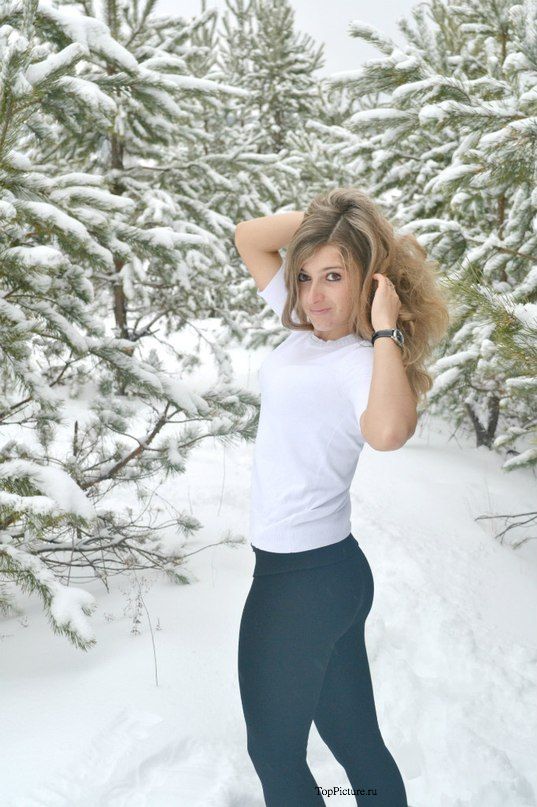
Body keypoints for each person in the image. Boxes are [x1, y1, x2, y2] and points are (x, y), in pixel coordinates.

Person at [234, 187, 450, 806]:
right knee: (355, 743)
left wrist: (384, 331)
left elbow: (388, 433)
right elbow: (249, 237)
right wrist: (338, 223)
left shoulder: (361, 359)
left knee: (275, 756)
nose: (314, 296)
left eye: (334, 276)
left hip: (301, 581)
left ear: (370, 283)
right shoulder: (310, 334)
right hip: (327, 573)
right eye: (305, 277)